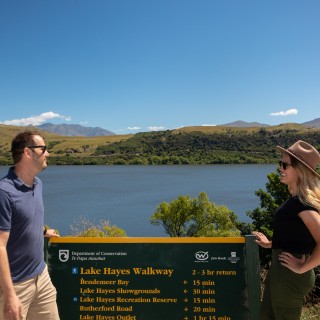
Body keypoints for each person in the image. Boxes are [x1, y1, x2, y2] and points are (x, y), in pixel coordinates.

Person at [253, 140, 320, 320]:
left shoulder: (303, 204)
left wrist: (303, 267)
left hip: (290, 277)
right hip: (281, 273)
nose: (280, 168)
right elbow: (296, 236)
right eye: (280, 163)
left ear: (299, 170)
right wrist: (271, 244)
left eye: (285, 165)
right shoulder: (295, 200)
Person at [0, 130, 60, 320]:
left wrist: (43, 230)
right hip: (15, 286)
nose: (48, 153)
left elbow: (24, 219)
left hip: (41, 277)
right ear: (28, 152)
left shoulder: (38, 184)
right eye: (43, 149)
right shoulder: (4, 193)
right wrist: (9, 295)